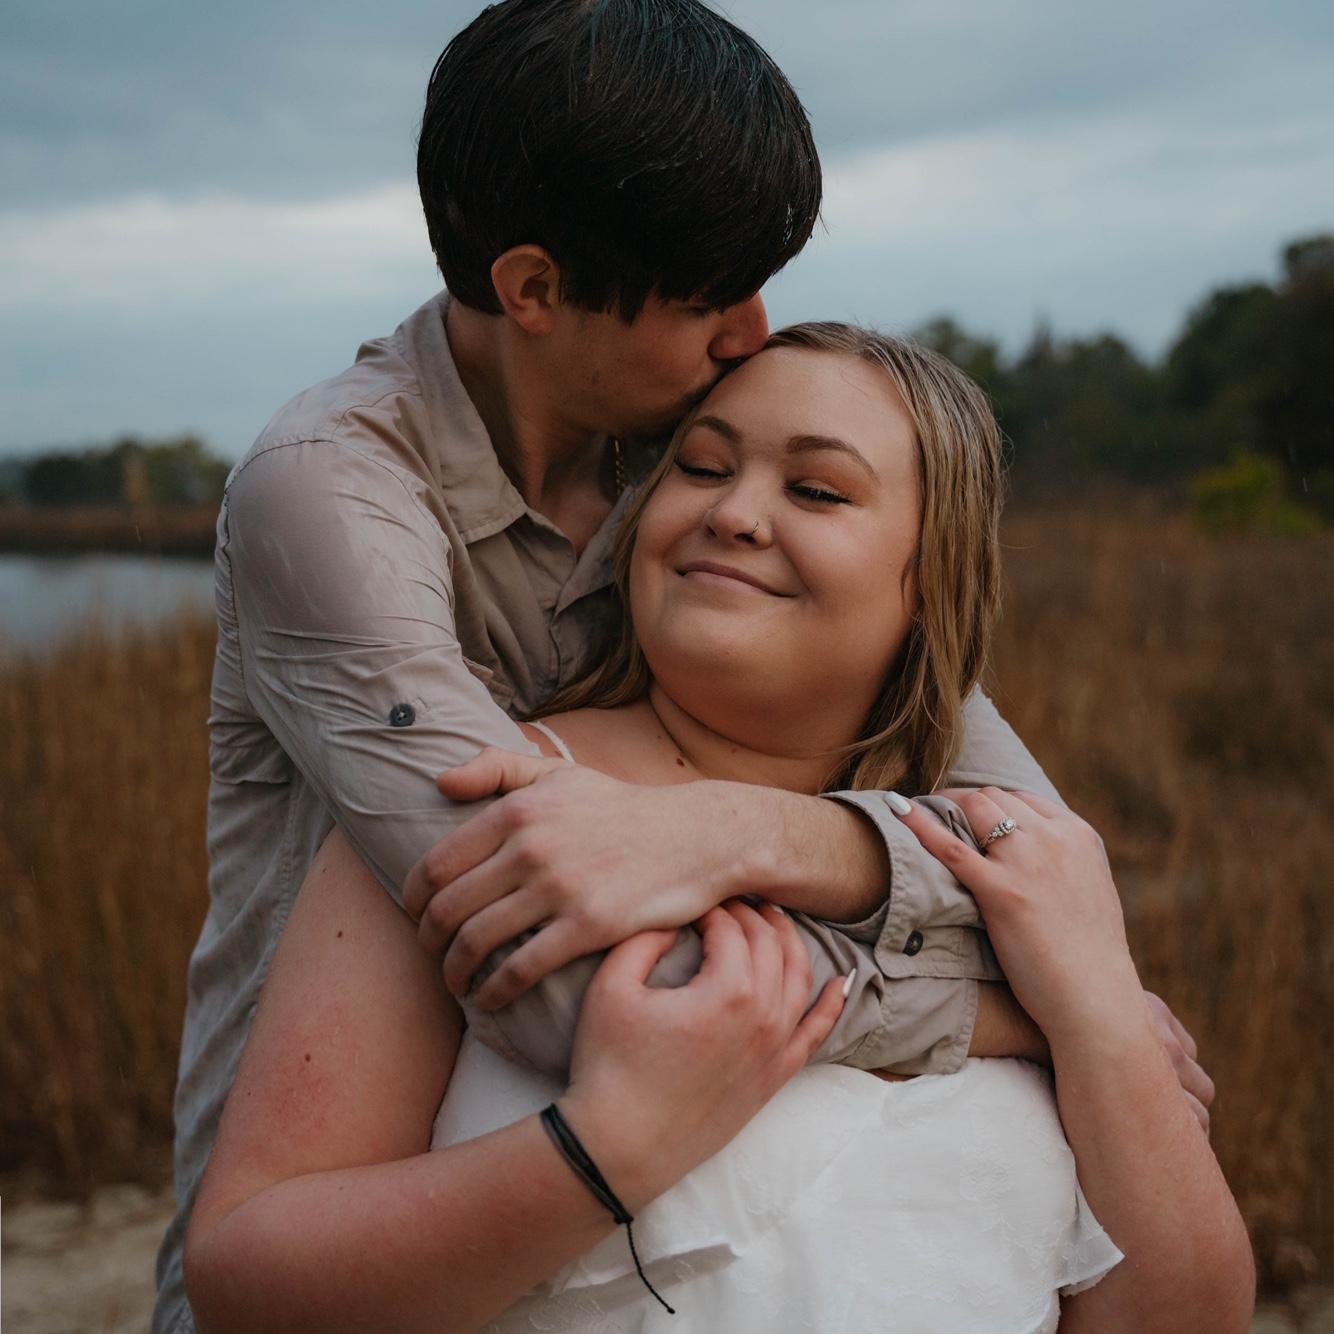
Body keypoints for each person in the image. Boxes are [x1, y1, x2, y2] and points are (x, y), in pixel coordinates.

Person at [155, 4, 1098, 1328]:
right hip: (354, 1226)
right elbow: (565, 976)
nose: (752, 332)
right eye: (708, 296)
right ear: (535, 290)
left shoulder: (690, 457)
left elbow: (1039, 852)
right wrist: (1036, 1012)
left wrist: (757, 831)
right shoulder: (330, 498)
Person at [183, 326, 1253, 1331]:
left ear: (932, 579)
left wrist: (1099, 1022)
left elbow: (1183, 1315)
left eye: (816, 489)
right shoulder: (499, 806)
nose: (734, 512)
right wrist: (596, 1155)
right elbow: (245, 1277)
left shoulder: (1014, 873)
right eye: (699, 467)